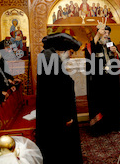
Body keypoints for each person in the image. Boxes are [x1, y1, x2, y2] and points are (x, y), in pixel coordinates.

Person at [36, 33, 83, 164]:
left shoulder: (47, 55)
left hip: (52, 114)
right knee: (60, 148)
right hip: (57, 117)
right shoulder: (51, 60)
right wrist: (66, 116)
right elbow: (57, 93)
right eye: (71, 52)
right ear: (63, 50)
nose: (71, 56)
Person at [86, 25, 120, 135]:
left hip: (111, 79)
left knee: (112, 101)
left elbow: (118, 60)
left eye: (108, 33)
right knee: (101, 103)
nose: (106, 35)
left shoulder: (111, 45)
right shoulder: (94, 45)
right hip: (99, 80)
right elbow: (89, 54)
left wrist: (115, 53)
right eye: (104, 33)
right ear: (100, 34)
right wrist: (98, 35)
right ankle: (101, 127)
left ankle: (113, 124)